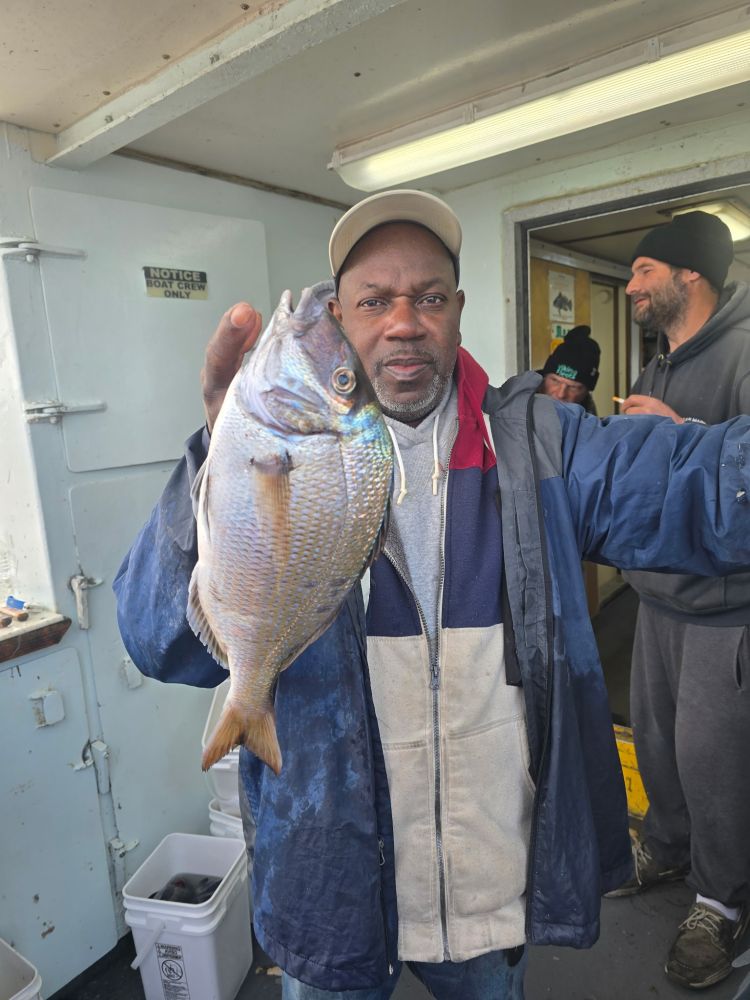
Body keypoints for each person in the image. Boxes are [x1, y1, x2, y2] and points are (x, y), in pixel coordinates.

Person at [113, 191, 750, 1000]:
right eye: (375, 300)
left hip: (489, 896)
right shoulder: (262, 453)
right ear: (340, 316)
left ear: (458, 311)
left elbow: (698, 486)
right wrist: (219, 462)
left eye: (430, 297)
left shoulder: (539, 445)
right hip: (332, 891)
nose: (404, 321)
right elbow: (152, 639)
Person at [606, 210, 750, 991]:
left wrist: (681, 431)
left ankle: (722, 903)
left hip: (726, 606)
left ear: (689, 274)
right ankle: (664, 847)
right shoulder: (653, 365)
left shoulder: (744, 349)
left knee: (715, 763)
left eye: (643, 271)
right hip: (656, 597)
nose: (631, 284)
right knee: (657, 746)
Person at [538, 324, 601, 412]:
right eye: (555, 381)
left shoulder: (588, 418)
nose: (561, 394)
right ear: (544, 377)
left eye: (573, 387)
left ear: (585, 392)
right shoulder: (517, 401)